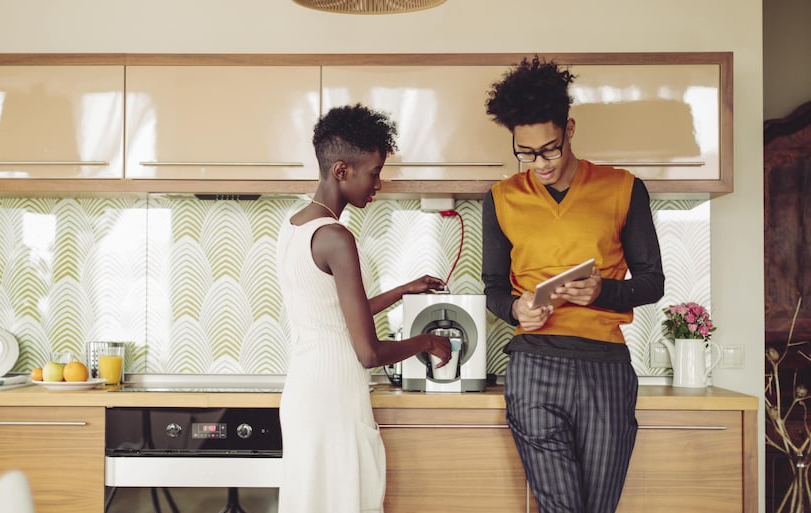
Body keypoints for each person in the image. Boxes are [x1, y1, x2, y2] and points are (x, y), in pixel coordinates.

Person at [482, 56, 665, 513]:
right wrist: (516, 311)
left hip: (606, 367)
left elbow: (652, 282)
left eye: (549, 149)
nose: (538, 163)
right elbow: (492, 288)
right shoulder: (501, 199)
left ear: (570, 129)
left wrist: (602, 291)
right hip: (534, 368)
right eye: (525, 152)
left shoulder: (623, 188)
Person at [275, 103, 453, 513]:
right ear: (342, 171)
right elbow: (368, 352)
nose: (379, 183)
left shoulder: (295, 225)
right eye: (373, 173)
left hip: (305, 391)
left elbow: (332, 315)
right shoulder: (336, 236)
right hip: (335, 396)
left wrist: (403, 290)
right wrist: (426, 341)